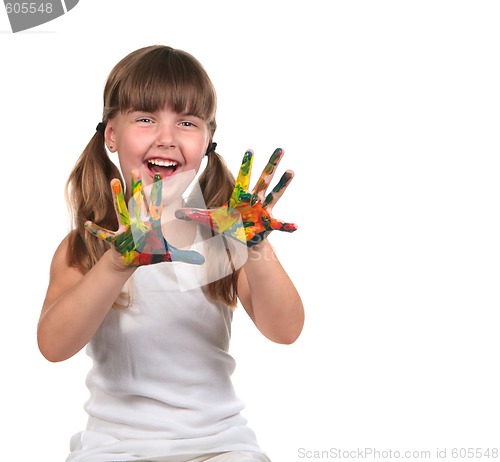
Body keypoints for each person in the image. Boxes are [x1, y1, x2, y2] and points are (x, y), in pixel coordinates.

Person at [38, 45, 304, 462]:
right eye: (145, 118)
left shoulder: (221, 235)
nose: (167, 137)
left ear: (208, 139)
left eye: (186, 122)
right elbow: (53, 346)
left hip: (220, 444)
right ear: (111, 133)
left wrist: (257, 245)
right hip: (114, 447)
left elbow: (284, 330)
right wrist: (117, 263)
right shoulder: (89, 244)